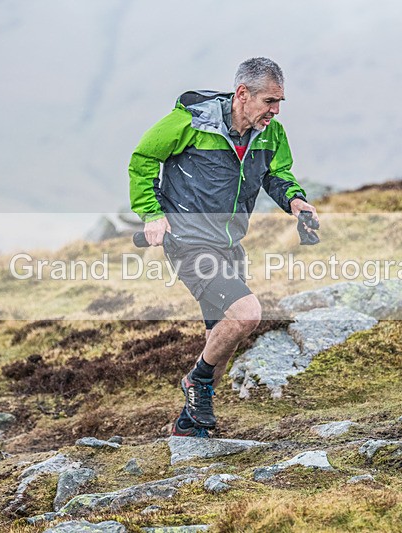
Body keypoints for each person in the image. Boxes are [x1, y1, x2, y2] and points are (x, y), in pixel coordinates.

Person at [129, 57, 318, 437]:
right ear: (242, 94)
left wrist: (296, 201)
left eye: (280, 102)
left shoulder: (270, 134)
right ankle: (195, 382)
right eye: (269, 101)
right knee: (246, 314)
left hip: (230, 243)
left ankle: (189, 424)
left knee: (222, 334)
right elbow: (143, 159)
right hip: (188, 242)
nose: (276, 110)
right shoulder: (189, 122)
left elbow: (277, 174)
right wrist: (152, 214)